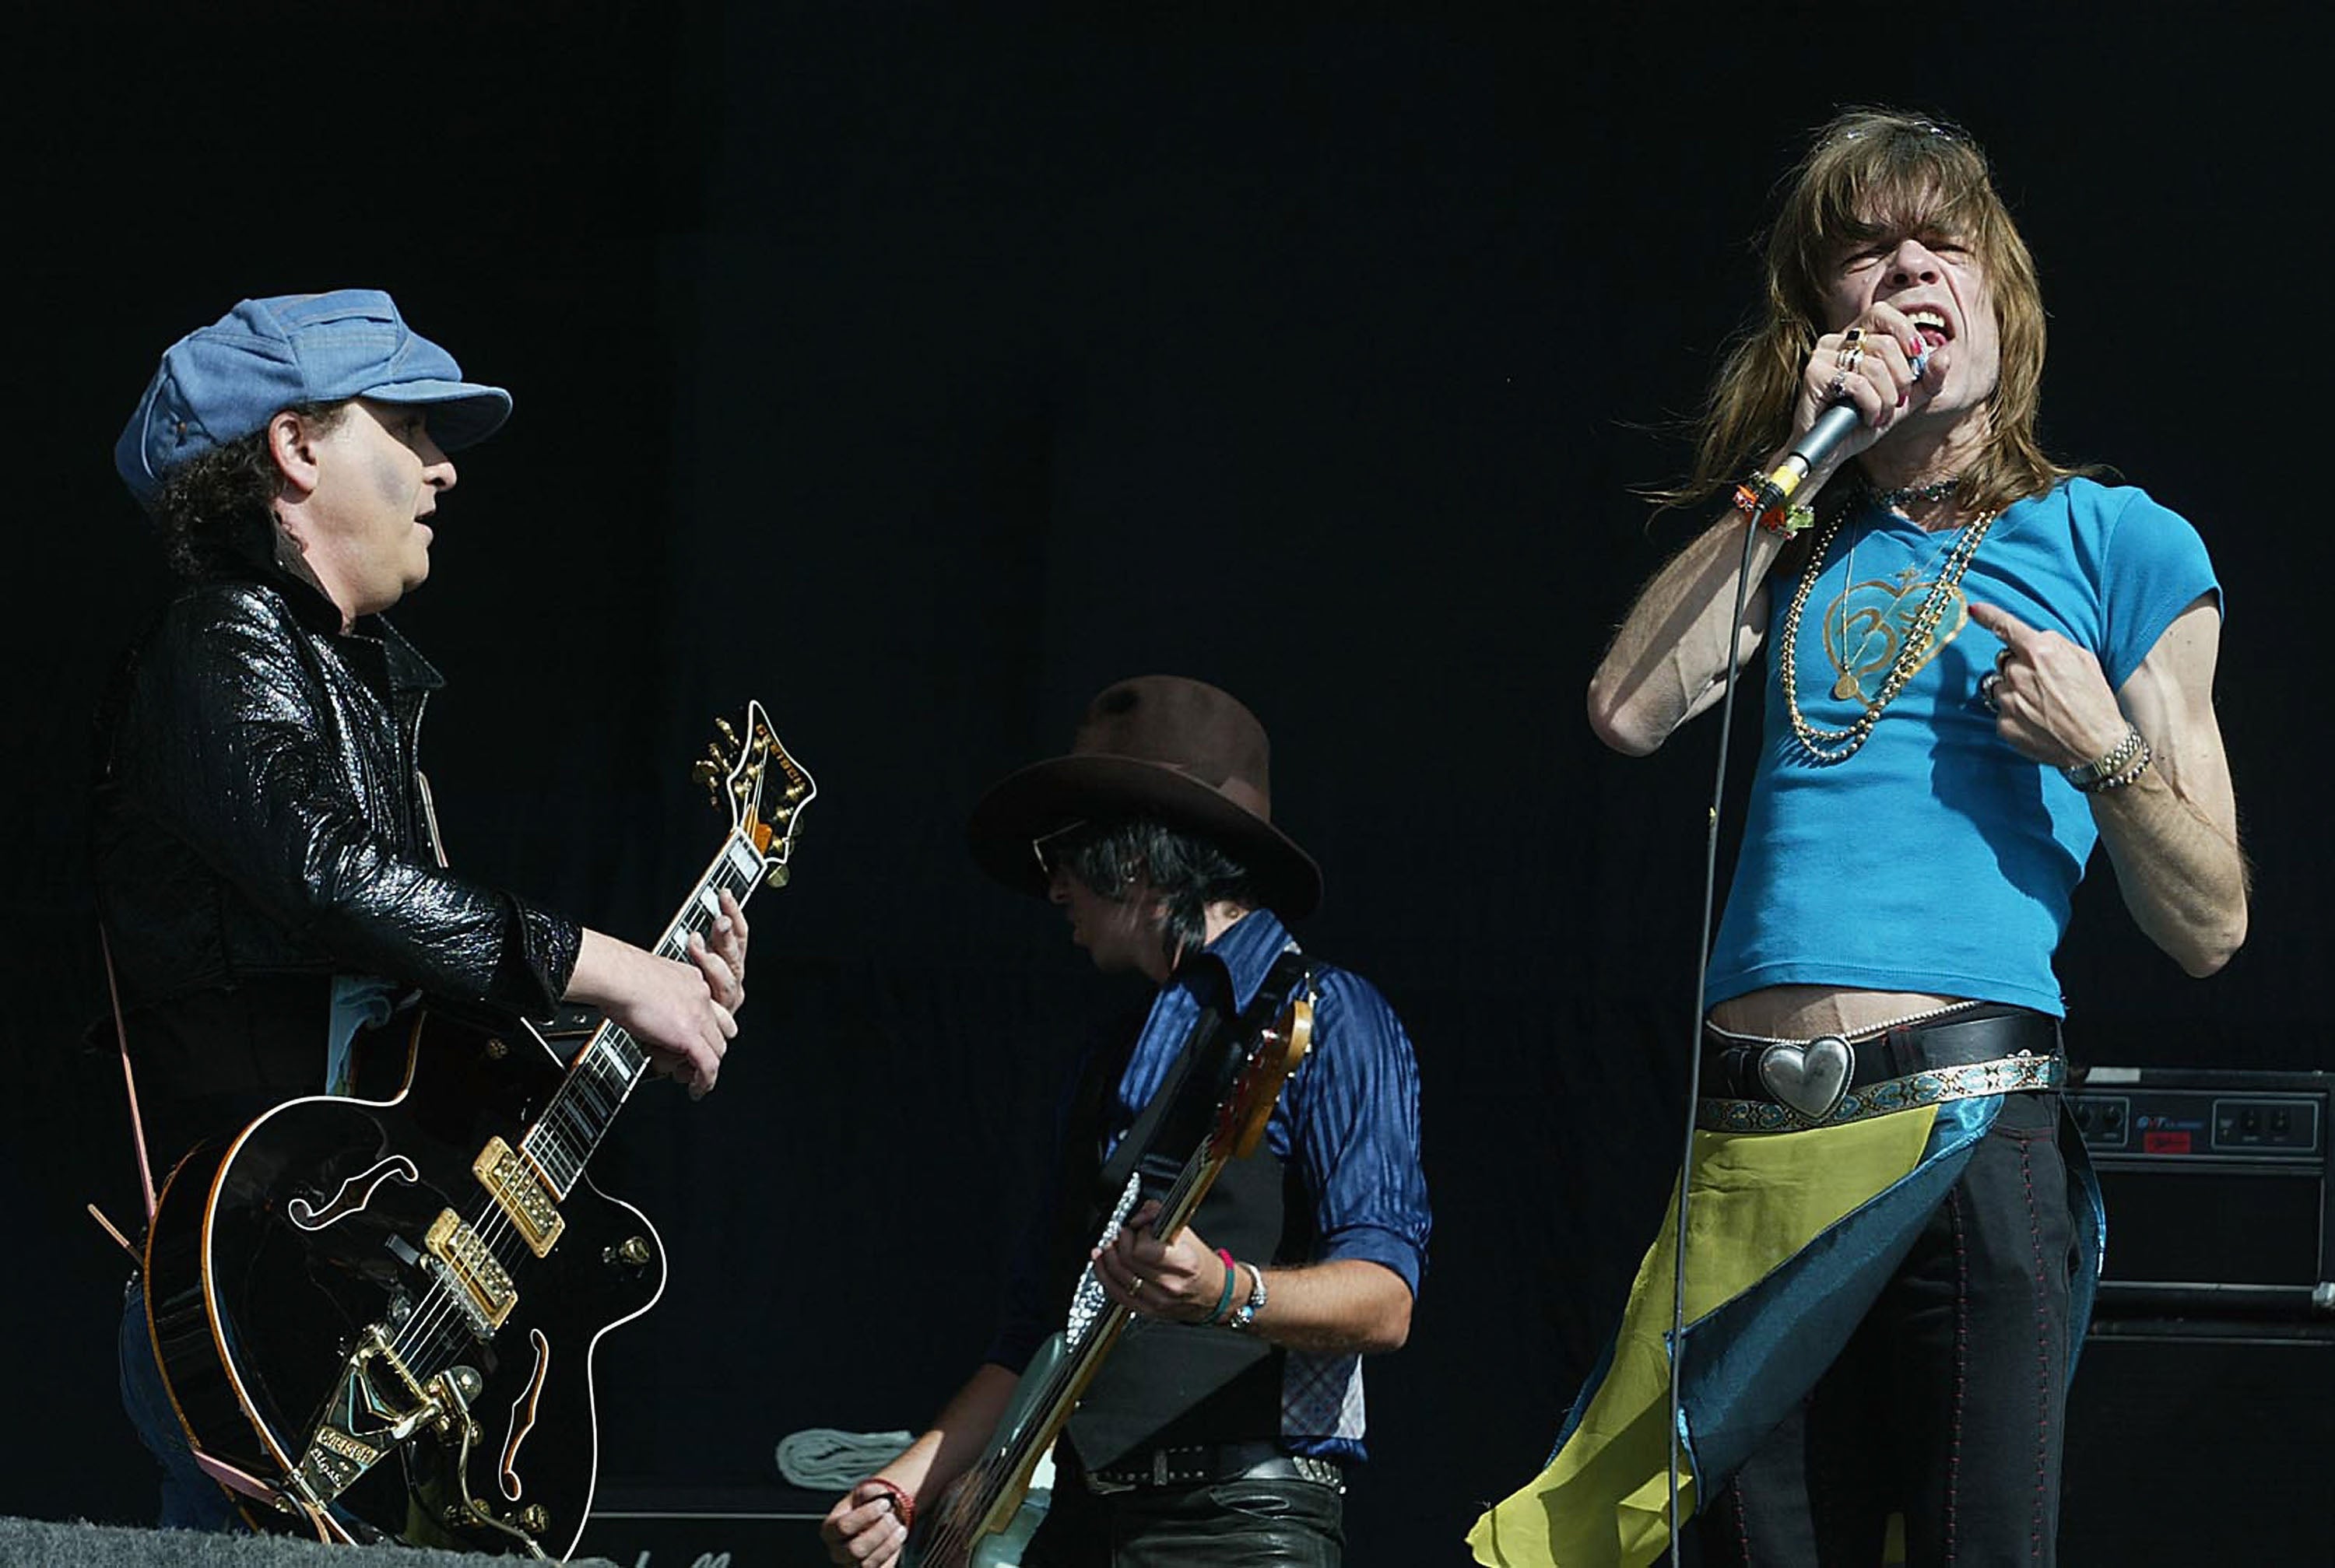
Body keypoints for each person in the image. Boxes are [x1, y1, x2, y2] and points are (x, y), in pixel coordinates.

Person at [1469, 109, 2245, 1568]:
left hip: (1965, 1133)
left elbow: (2213, 922)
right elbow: (1629, 710)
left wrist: (2107, 750)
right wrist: (1797, 458)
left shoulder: (2116, 539)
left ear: (2002, 304)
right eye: (1868, 255)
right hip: (1757, 1149)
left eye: (1942, 245)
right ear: (1822, 318)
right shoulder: (1796, 526)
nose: (1909, 274)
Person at [96, 289, 751, 1529]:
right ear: (296, 448)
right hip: (265, 1294)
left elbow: (402, 1024)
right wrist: (615, 967)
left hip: (339, 1290)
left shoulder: (346, 679)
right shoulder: (219, 638)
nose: (445, 469)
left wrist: (645, 1017)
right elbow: (327, 879)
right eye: (409, 427)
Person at [820, 675, 1431, 1567]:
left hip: (1239, 1524)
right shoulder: (1107, 1055)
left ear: (1142, 856)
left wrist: (1227, 1291)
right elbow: (1041, 1327)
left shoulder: (1329, 1014)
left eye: (1065, 848)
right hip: (1085, 1520)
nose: (1052, 882)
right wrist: (904, 1488)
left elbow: (1386, 1297)